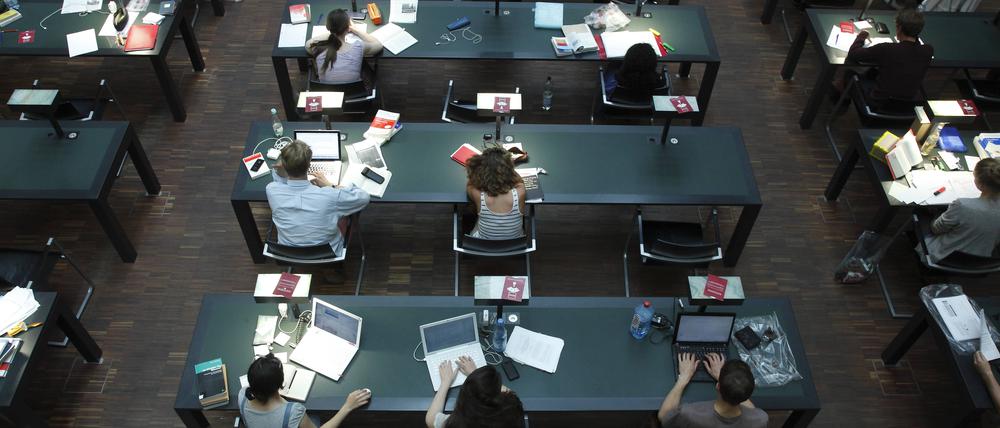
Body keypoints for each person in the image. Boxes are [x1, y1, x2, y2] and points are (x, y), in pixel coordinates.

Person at [266, 140, 370, 257]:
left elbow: (279, 182)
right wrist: (331, 185)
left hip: (288, 253)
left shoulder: (271, 190)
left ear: (284, 166)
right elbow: (364, 197)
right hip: (327, 253)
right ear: (309, 165)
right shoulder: (330, 195)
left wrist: (280, 173)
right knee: (347, 214)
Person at [833, 8, 933, 107]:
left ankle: (841, 97)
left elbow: (853, 54)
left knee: (849, 73)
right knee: (873, 71)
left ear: (899, 28)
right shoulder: (928, 50)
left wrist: (861, 36)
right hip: (906, 104)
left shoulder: (887, 49)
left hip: (878, 102)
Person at [240, 353, 371, 428]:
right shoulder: (292, 412)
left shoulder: (242, 395)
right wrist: (347, 406)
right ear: (281, 383)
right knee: (315, 418)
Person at [658, 353, 768, 428]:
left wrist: (683, 379)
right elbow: (752, 411)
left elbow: (664, 417)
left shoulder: (689, 413)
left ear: (718, 386)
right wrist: (727, 380)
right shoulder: (761, 419)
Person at [923, 158, 1000, 263]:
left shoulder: (963, 206)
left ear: (980, 185)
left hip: (945, 258)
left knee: (922, 214)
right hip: (980, 262)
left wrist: (936, 213)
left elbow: (936, 229)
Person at [425, 356, 525, 428]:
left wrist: (445, 382)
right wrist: (479, 377)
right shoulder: (512, 409)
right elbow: (508, 392)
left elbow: (431, 419)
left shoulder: (459, 423)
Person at [306, 9, 383, 84]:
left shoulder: (318, 49)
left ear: (327, 27)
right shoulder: (358, 47)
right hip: (355, 93)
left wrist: (332, 32)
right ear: (347, 28)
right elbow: (378, 45)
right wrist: (355, 29)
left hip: (327, 94)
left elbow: (307, 44)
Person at [465, 146, 526, 240]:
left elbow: (470, 184)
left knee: (471, 216)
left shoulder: (477, 195)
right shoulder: (520, 192)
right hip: (514, 244)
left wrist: (478, 170)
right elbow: (519, 181)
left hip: (482, 245)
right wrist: (508, 166)